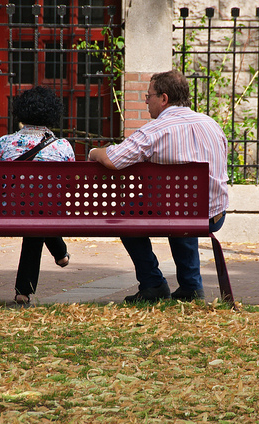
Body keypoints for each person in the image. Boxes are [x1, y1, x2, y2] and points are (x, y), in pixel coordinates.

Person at [88, 70, 229, 303]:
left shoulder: (155, 130)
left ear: (164, 98)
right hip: (212, 215)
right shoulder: (212, 125)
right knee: (184, 208)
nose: (146, 101)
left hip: (175, 211)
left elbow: (112, 160)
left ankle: (153, 284)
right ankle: (191, 287)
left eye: (149, 96)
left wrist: (94, 152)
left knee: (126, 214)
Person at [0, 86, 75, 305]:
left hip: (10, 211)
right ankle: (54, 259)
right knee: (40, 213)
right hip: (49, 211)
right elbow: (69, 185)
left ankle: (26, 288)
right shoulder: (62, 146)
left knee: (34, 213)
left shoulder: (4, 143)